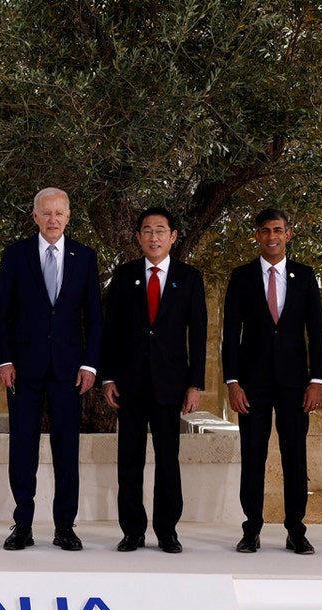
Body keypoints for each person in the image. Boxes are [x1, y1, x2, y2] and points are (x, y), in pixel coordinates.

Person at [0, 188, 102, 552]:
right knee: (22, 448)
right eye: (46, 213)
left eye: (59, 213)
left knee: (66, 450)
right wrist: (3, 360)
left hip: (70, 372)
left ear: (69, 216)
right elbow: (2, 314)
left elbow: (94, 318)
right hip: (22, 371)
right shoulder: (15, 255)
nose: (53, 219)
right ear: (35, 216)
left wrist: (89, 364)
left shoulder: (85, 257)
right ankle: (22, 524)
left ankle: (65, 527)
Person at [101, 207, 206, 554]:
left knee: (167, 459)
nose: (154, 237)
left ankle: (166, 531)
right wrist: (108, 377)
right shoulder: (125, 274)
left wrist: (196, 384)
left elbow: (199, 336)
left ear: (173, 236)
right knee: (128, 459)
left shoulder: (189, 278)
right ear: (138, 238)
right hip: (129, 385)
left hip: (170, 384)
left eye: (161, 230)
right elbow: (111, 331)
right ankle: (132, 530)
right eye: (147, 230)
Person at [221, 209, 322, 555]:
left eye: (278, 230)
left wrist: (317, 380)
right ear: (257, 236)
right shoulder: (241, 277)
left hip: (297, 384)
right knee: (253, 455)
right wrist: (232, 382)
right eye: (265, 230)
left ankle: (296, 529)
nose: (271, 236)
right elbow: (230, 333)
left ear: (288, 234)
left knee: (295, 456)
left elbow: (317, 333)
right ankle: (251, 529)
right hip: (252, 384)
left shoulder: (306, 276)